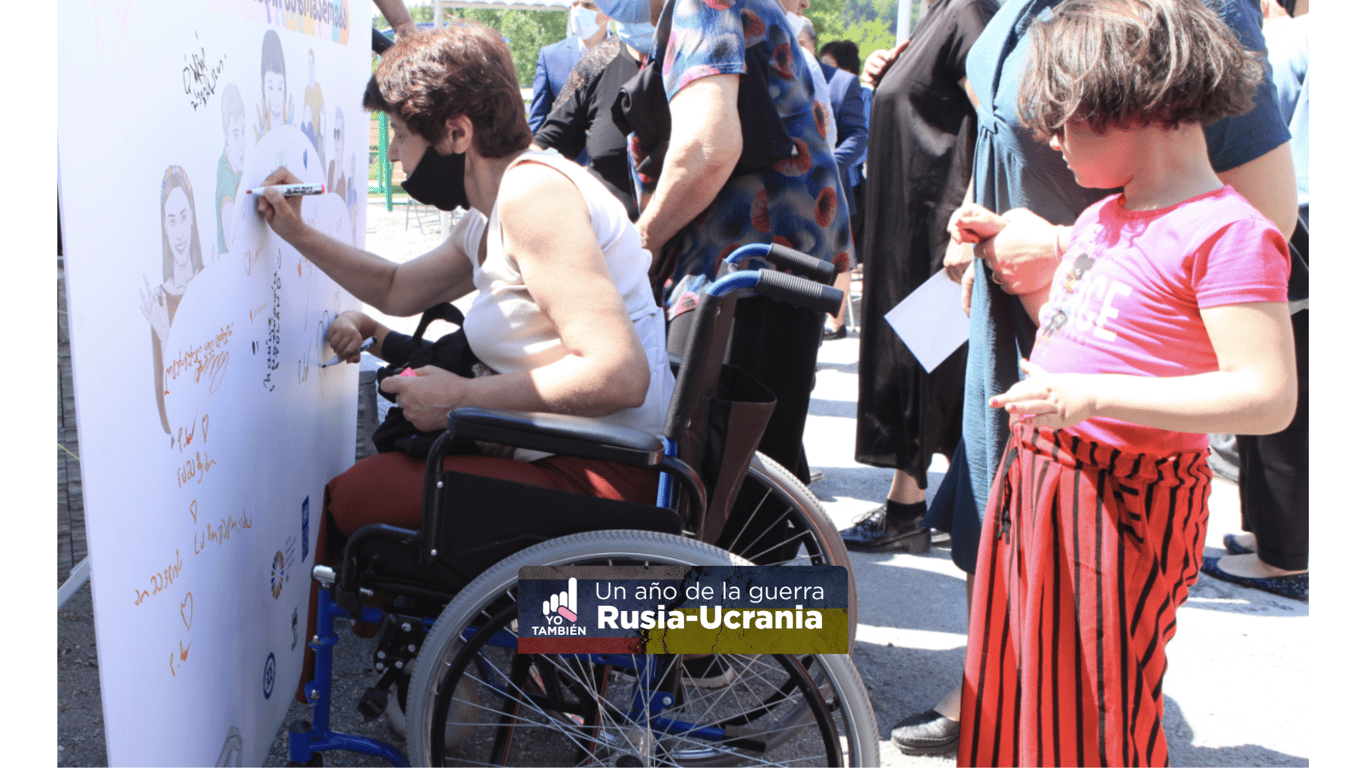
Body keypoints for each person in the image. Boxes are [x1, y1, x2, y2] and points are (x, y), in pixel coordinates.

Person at [861, 0, 1298, 755]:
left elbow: (1266, 396)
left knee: (1094, 711)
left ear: (1140, 105)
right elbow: (1076, 330)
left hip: (1123, 496)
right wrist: (1006, 246)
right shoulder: (1099, 220)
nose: (1050, 141)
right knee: (1022, 679)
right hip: (1041, 478)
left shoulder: (1231, 235)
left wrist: (1094, 397)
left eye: (1065, 121)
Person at [255, 22, 674, 696]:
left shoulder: (534, 199)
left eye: (400, 134)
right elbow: (396, 287)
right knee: (376, 480)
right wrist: (296, 233)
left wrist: (461, 398)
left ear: (456, 134)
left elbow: (619, 372)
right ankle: (445, 678)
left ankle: (404, 682)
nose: (394, 156)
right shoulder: (494, 205)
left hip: (598, 473)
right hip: (569, 451)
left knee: (355, 497)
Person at [632, 0, 852, 482]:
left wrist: (640, 242)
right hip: (767, 259)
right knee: (752, 470)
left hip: (741, 264)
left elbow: (709, 146)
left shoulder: (704, 4)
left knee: (719, 478)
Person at [1203, 0, 1310, 599]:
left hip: (1287, 224)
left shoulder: (1291, 39)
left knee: (1283, 416)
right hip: (1286, 220)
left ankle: (1284, 556)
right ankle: (1268, 537)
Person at [532, 17, 654, 218]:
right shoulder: (598, 62)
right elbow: (544, 147)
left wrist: (649, 235)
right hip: (603, 235)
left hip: (686, 243)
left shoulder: (701, 63)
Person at [139, 166, 206, 435]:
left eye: (183, 216)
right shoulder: (159, 304)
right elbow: (169, 421)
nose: (179, 232)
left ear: (193, 219)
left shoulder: (208, 285)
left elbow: (217, 390)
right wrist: (167, 339)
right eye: (171, 221)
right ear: (164, 227)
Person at [812, 40, 868, 341]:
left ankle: (834, 321)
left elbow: (858, 135)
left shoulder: (843, 83)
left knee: (838, 257)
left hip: (836, 188)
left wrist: (825, 166)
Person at [528, 0, 610, 135]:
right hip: (563, 154)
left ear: (609, 12)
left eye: (587, 5)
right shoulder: (550, 57)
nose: (578, 11)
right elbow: (537, 124)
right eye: (574, 4)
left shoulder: (627, 54)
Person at [215, 84, 246, 256]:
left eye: (243, 131)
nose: (242, 143)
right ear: (226, 135)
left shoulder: (239, 165)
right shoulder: (225, 177)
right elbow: (232, 242)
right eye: (235, 134)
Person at [254, 29, 293, 142]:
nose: (276, 102)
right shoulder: (259, 143)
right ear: (263, 89)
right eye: (270, 88)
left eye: (280, 88)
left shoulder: (291, 139)